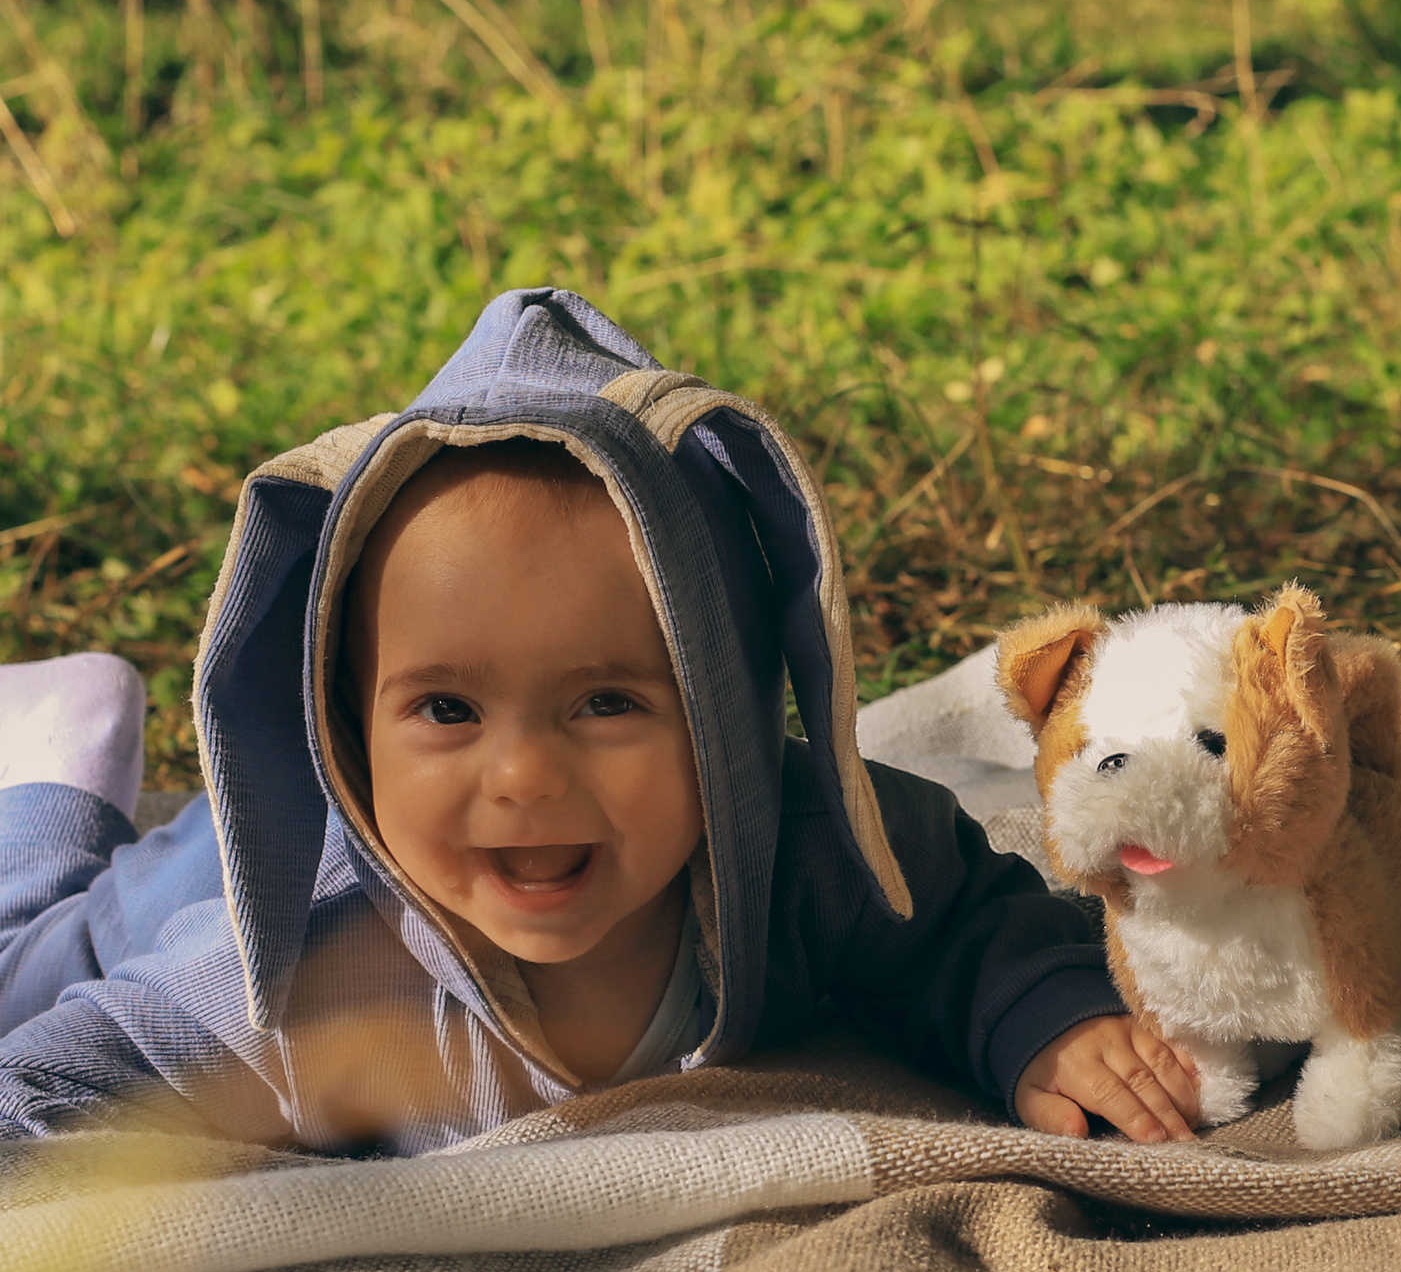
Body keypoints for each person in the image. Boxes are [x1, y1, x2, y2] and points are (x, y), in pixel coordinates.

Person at [0, 288, 1201, 1151]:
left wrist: (1046, 1021)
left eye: (607, 701)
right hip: (197, 881)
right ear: (352, 726)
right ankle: (55, 774)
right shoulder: (297, 967)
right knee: (35, 945)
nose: (521, 774)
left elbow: (953, 921)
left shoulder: (808, 852)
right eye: (448, 707)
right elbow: (58, 1076)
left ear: (727, 726)